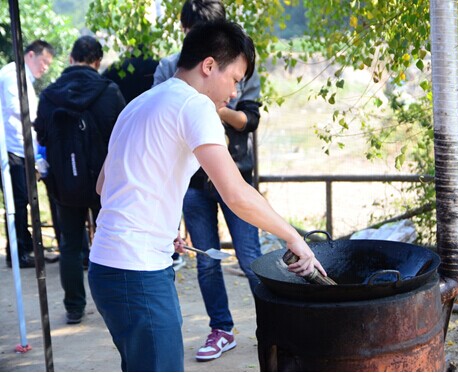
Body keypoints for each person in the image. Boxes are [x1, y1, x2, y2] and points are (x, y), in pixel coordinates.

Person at [88, 21, 326, 372]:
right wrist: (294, 236)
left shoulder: (139, 104)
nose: (234, 93)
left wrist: (158, 228)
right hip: (137, 272)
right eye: (234, 79)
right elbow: (236, 193)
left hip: (108, 267)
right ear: (209, 65)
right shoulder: (194, 106)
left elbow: (104, 185)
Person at [153, 0, 263, 361]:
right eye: (188, 32)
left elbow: (250, 119)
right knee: (206, 259)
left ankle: (273, 323)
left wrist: (216, 107)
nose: (234, 87)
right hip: (194, 183)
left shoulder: (236, 63)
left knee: (251, 258)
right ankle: (221, 329)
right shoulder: (170, 67)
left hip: (234, 172)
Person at [34, 36, 126, 324]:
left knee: (70, 244)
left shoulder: (49, 94)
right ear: (97, 62)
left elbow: (42, 137)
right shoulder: (109, 91)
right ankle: (116, 302)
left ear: (72, 59)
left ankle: (74, 306)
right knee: (111, 240)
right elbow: (122, 136)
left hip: (65, 184)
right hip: (105, 183)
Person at [0, 40, 54, 268]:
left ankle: (25, 246)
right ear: (30, 55)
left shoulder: (23, 78)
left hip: (22, 148)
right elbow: (18, 114)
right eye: (43, 61)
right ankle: (18, 252)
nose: (45, 68)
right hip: (12, 148)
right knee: (18, 201)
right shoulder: (13, 75)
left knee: (24, 200)